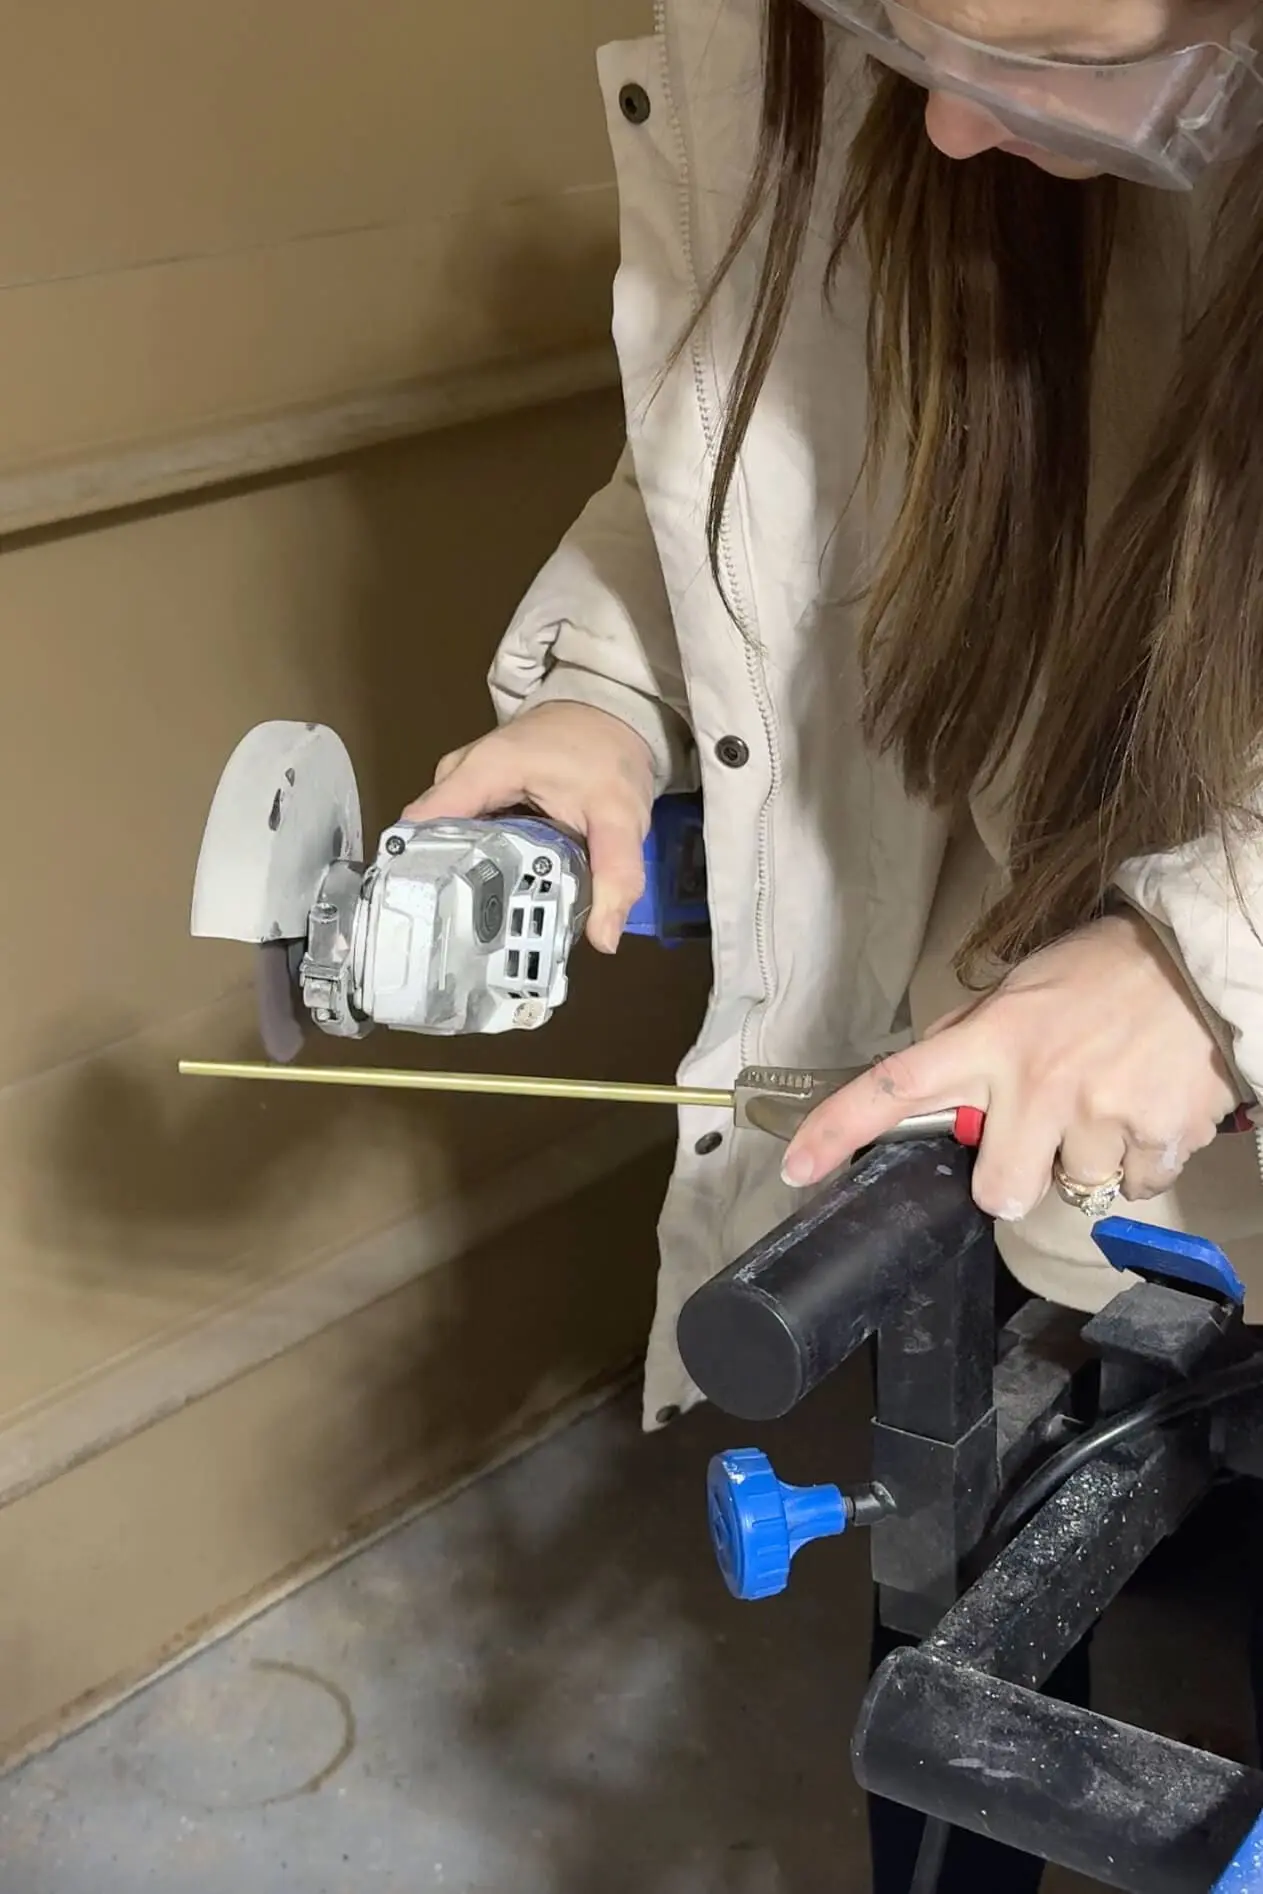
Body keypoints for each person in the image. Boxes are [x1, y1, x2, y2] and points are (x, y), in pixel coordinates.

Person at [408, 1, 1263, 1884]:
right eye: (894, 29)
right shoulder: (875, 86)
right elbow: (755, 447)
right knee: (952, 1618)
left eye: (1042, 57)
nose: (945, 132)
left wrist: (1216, 948)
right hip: (1001, 1041)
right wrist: (601, 698)